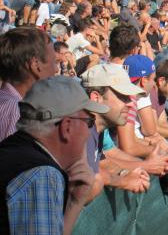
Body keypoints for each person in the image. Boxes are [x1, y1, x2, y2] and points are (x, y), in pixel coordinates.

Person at [0, 76, 109, 235]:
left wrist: (74, 202)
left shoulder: (14, 146)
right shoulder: (42, 174)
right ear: (66, 127)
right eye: (89, 122)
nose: (89, 131)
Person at [81, 64, 154, 200]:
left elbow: (101, 166)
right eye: (123, 97)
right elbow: (87, 181)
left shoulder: (97, 128)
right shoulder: (80, 129)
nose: (132, 104)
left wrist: (127, 173)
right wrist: (124, 181)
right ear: (96, 98)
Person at [0, 27, 56, 142]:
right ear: (35, 65)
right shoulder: (16, 112)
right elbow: (13, 158)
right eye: (54, 61)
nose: (56, 69)